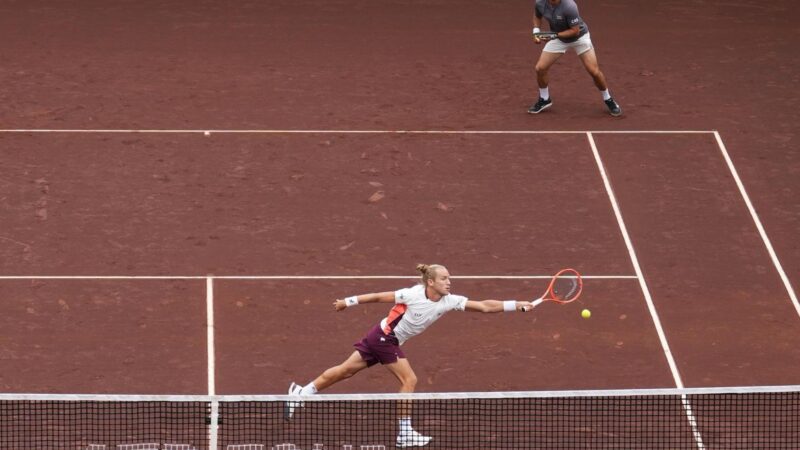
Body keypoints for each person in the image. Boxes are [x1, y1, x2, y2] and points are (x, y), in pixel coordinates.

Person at [286, 263, 535, 448]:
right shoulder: (413, 294)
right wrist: (347, 302)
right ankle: (405, 433)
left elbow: (484, 306)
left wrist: (517, 304)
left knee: (345, 371)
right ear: (431, 282)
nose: (449, 282)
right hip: (385, 338)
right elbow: (378, 297)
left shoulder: (449, 300)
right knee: (409, 380)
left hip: (379, 336)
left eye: (449, 278)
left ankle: (301, 393)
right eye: (444, 278)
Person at [528, 0, 622, 116]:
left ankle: (608, 99)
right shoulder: (540, 2)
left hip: (579, 38)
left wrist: (554, 35)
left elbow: (575, 31)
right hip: (558, 38)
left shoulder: (569, 6)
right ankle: (544, 99)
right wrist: (536, 32)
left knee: (594, 71)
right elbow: (537, 15)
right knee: (540, 68)